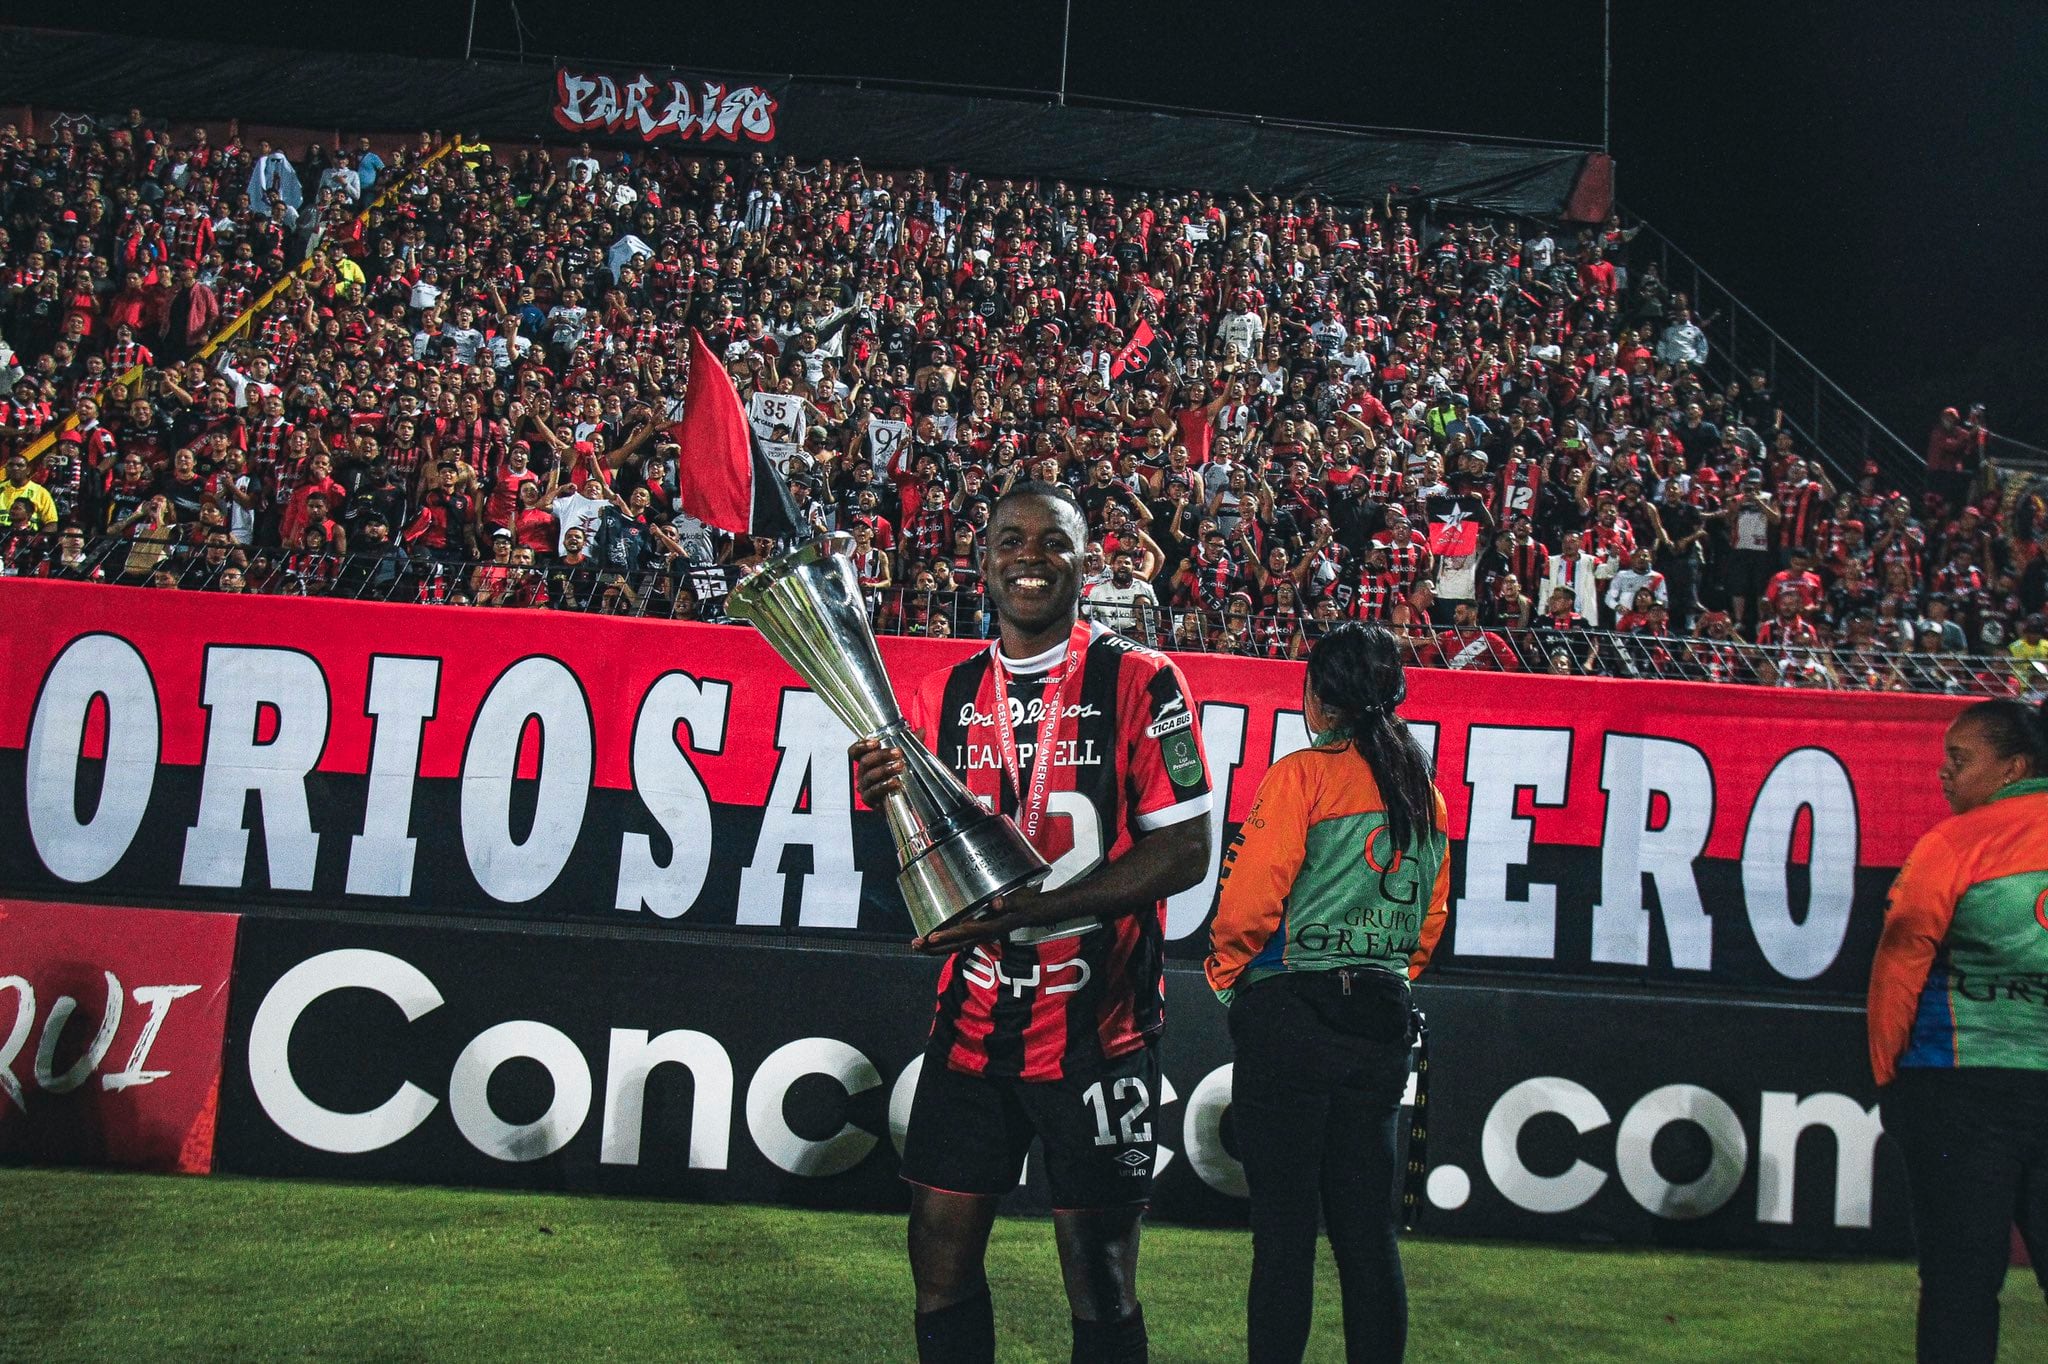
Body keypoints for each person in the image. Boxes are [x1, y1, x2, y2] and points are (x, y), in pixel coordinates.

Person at [851, 481, 1214, 1364]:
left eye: (1054, 542)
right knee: (935, 1258)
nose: (1030, 558)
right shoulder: (940, 694)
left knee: (1101, 1278)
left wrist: (1040, 909)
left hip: (1101, 1031)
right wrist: (878, 809)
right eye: (1010, 540)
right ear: (981, 561)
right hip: (972, 1027)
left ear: (1087, 563)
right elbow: (898, 876)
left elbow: (1186, 854)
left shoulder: (1140, 678)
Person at [1206, 622, 1450, 1363]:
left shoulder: (1301, 776)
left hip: (1291, 1016)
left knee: (1284, 1238)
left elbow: (1249, 905)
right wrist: (1387, 975)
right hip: (1379, 1023)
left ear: (1320, 696)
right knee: (1367, 1240)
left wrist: (1231, 982)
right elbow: (1428, 921)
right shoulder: (1424, 793)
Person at [1868, 698, 2048, 1364]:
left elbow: (1900, 955)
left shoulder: (1953, 843)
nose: (1944, 772)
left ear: (2014, 768)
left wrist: (1889, 1074)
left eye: (1960, 758)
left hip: (1958, 1089)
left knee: (1959, 1288)